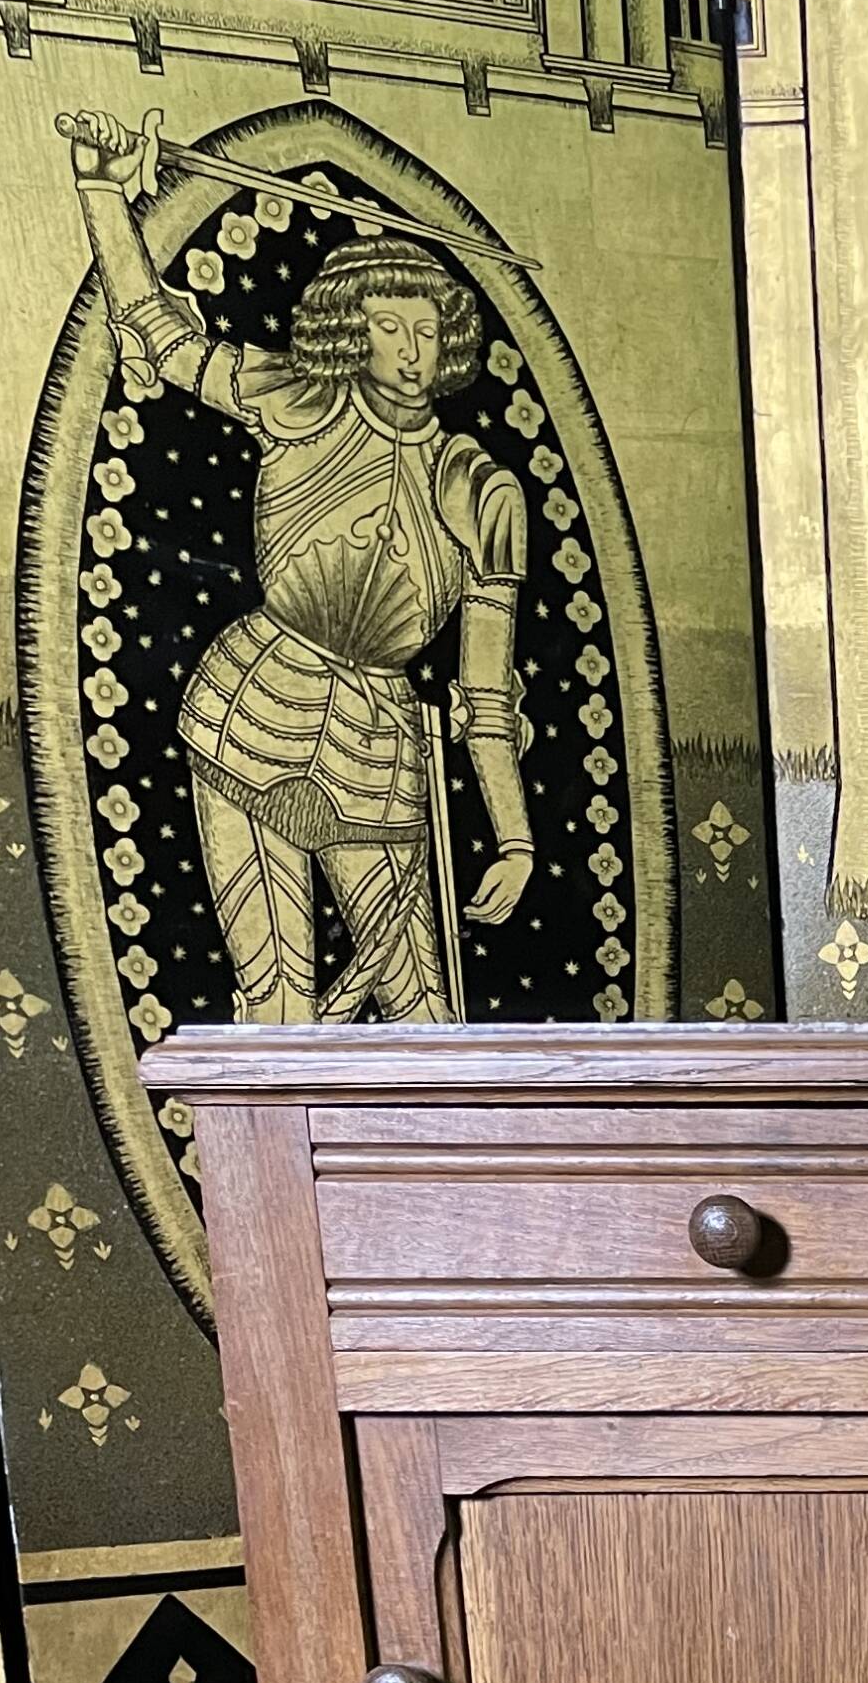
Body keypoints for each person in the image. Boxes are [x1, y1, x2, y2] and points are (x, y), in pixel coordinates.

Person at [61, 108, 533, 1023]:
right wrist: (101, 193)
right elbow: (162, 337)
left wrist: (513, 838)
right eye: (389, 327)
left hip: (378, 751)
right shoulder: (297, 398)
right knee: (276, 1008)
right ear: (352, 330)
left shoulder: (482, 488)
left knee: (421, 1019)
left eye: (426, 330)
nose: (410, 352)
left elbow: (485, 695)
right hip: (246, 709)